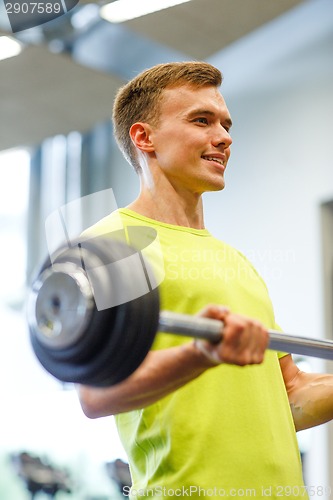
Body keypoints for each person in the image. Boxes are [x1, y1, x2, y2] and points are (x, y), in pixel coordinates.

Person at [77, 62, 333, 499]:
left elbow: (289, 394)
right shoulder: (115, 243)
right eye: (202, 120)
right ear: (145, 137)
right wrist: (200, 354)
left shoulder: (234, 260)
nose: (225, 137)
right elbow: (98, 395)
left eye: (226, 124)